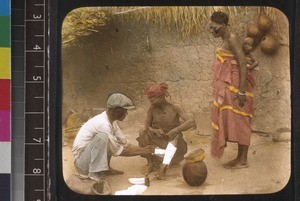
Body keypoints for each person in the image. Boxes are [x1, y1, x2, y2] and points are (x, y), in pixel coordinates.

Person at [208, 11, 255, 169]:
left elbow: (242, 64)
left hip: (238, 87)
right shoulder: (225, 39)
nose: (212, 30)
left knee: (241, 120)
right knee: (236, 119)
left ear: (224, 25)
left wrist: (241, 91)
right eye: (211, 27)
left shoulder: (232, 38)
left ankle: (243, 160)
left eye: (215, 27)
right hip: (230, 87)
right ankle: (239, 158)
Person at [72, 93, 155, 182]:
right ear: (114, 111)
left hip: (87, 157)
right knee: (104, 138)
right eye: (124, 111)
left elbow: (125, 143)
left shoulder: (111, 122)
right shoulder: (103, 124)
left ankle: (106, 169)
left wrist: (144, 149)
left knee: (109, 141)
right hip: (82, 163)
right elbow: (118, 151)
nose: (126, 114)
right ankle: (93, 175)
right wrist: (143, 151)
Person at [137, 83, 195, 179]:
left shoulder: (175, 107)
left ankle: (163, 167)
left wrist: (175, 130)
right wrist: (154, 130)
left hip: (176, 150)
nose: (151, 102)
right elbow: (146, 126)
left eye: (153, 99)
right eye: (150, 100)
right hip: (159, 148)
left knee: (175, 136)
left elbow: (191, 122)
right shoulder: (152, 108)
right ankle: (151, 163)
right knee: (142, 130)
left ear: (162, 97)